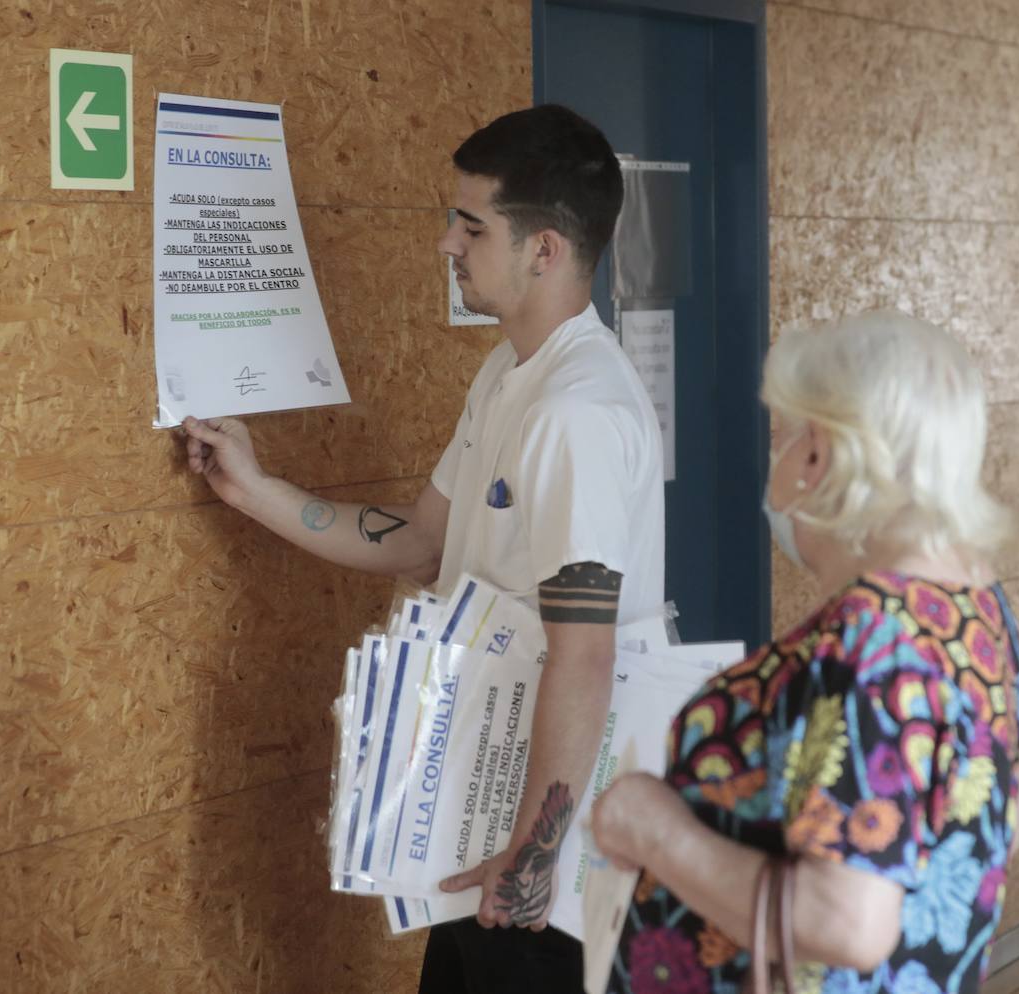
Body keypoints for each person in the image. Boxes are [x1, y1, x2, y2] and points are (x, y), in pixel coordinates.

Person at [182, 104, 665, 994]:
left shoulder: (576, 413)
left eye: (471, 224)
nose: (448, 243)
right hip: (487, 823)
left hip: (548, 864)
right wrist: (256, 492)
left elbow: (586, 652)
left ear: (544, 249)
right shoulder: (509, 375)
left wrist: (531, 854)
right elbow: (422, 542)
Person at [591, 310, 1019, 994]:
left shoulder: (875, 640)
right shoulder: (973, 602)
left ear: (818, 454)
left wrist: (650, 828)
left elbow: (849, 925)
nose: (773, 465)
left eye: (780, 437)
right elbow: (1017, 798)